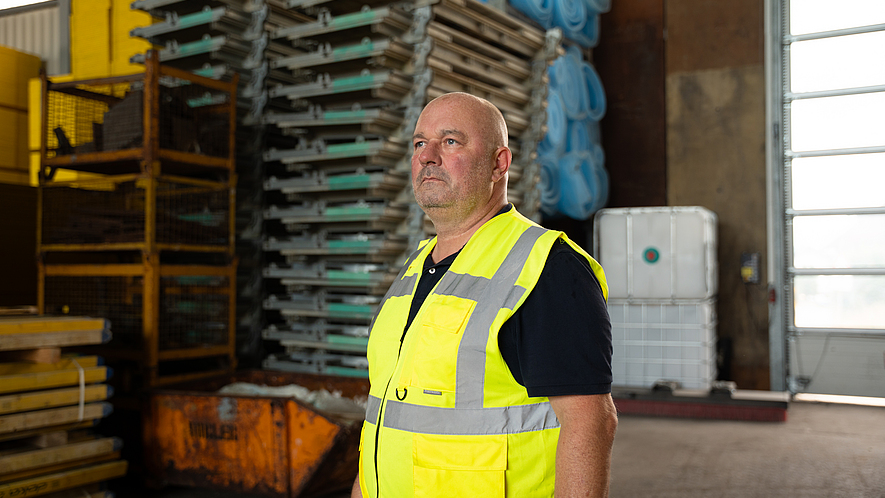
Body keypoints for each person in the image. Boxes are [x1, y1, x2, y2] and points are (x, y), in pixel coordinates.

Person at [352, 92, 617, 498]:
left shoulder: (548, 267)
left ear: (499, 164)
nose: (427, 156)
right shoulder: (417, 266)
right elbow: (386, 419)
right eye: (420, 143)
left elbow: (590, 423)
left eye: (451, 141)